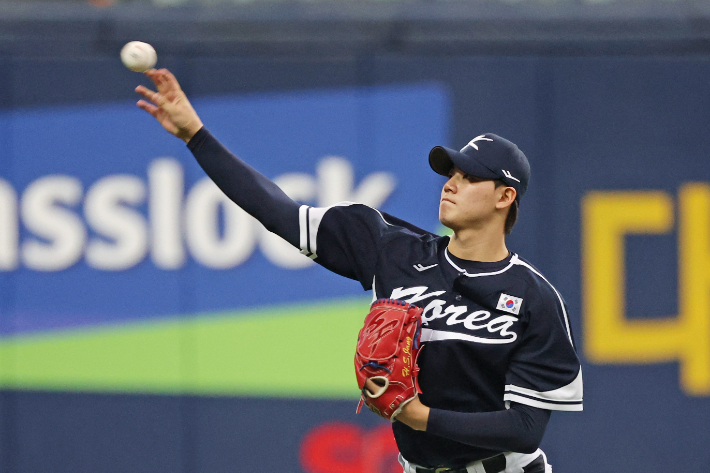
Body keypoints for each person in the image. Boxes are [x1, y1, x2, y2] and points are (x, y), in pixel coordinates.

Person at [135, 69, 582, 473]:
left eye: (469, 177)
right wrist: (195, 135)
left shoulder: (534, 298)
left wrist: (416, 416)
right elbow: (277, 212)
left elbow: (524, 428)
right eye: (451, 173)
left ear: (505, 197)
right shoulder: (391, 250)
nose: (451, 183)